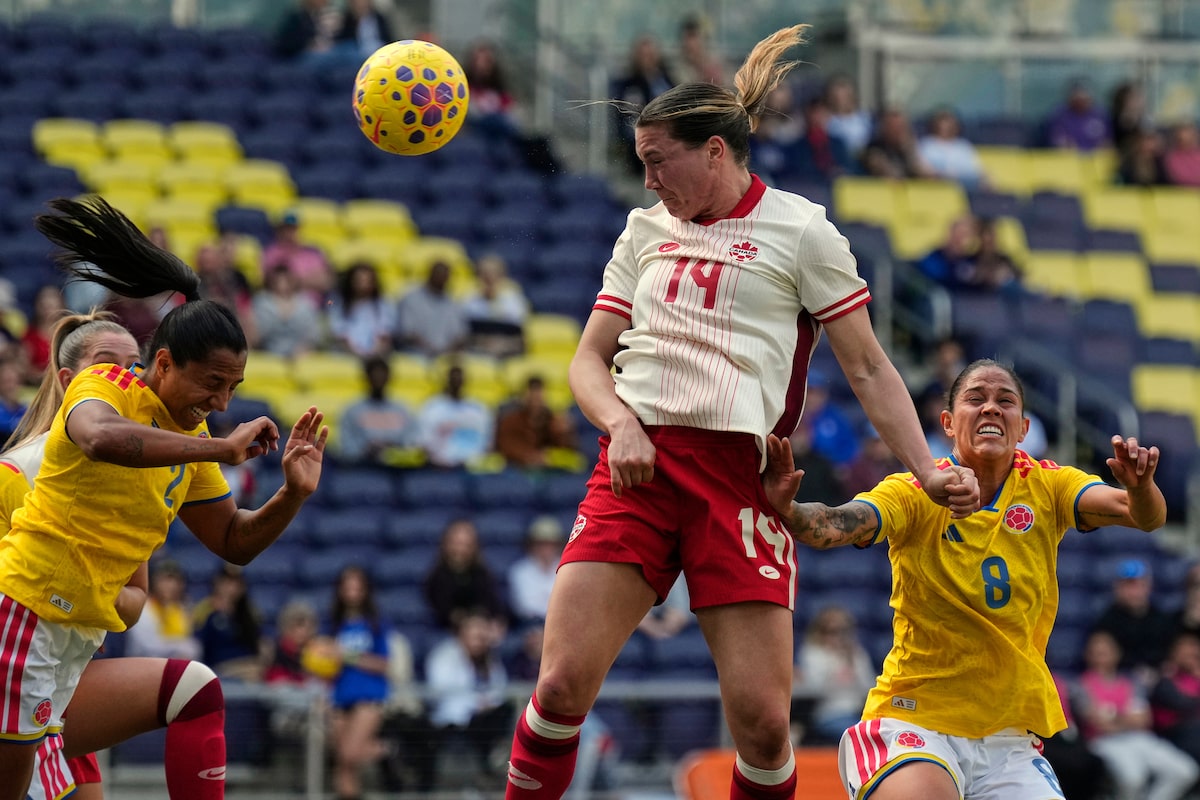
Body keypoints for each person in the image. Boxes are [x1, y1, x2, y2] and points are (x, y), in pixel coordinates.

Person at [502, 24, 979, 800]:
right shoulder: (643, 229)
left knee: (761, 726)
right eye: (642, 163)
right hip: (639, 467)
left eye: (659, 160)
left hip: (742, 483)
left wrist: (927, 468)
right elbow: (587, 360)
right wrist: (621, 424)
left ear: (715, 151)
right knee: (557, 690)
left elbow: (866, 364)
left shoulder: (802, 231)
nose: (648, 179)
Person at [0, 196, 328, 800]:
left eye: (234, 387)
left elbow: (234, 540)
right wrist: (220, 451)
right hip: (26, 614)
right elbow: (101, 438)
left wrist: (292, 495)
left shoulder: (192, 436)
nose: (222, 402)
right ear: (165, 363)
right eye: (212, 383)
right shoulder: (109, 386)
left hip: (74, 642)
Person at [760, 358, 1169, 799]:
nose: (991, 408)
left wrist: (1141, 486)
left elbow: (1144, 516)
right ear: (949, 424)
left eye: (1005, 401)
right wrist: (791, 511)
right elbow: (836, 524)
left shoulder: (1050, 486)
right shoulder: (915, 491)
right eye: (976, 399)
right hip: (915, 724)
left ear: (1023, 427)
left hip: (1009, 742)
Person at [0, 309, 232, 800]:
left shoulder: (132, 473)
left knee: (198, 688)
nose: (127, 377)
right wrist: (84, 592)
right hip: (27, 649)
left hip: (68, 657)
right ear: (71, 382)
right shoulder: (20, 470)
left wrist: (89, 594)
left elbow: (134, 600)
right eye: (109, 365)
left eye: (134, 365)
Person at [1075, 629, 1198, 800]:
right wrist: (1126, 717)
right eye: (1096, 653)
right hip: (1104, 742)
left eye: (1105, 652)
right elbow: (1098, 723)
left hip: (1140, 738)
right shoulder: (1081, 684)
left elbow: (1144, 720)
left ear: (1117, 653)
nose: (1101, 657)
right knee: (1133, 779)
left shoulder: (1130, 682)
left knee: (1185, 771)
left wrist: (1113, 716)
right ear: (1088, 655)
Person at [425, 607, 514, 787]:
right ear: (462, 633)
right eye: (473, 633)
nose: (478, 640)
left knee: (508, 709)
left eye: (482, 635)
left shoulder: (491, 660)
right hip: (452, 721)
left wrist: (488, 703)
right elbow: (443, 694)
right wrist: (476, 704)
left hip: (483, 719)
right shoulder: (444, 656)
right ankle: (492, 764)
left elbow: (499, 689)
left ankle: (497, 761)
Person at [326, 564, 393, 800]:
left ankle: (389, 751)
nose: (352, 593)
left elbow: (383, 663)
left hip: (368, 694)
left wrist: (346, 655)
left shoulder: (376, 625)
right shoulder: (334, 625)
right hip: (340, 694)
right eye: (348, 587)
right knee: (343, 765)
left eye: (357, 587)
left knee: (349, 754)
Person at [794, 605, 877, 745]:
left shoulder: (856, 653)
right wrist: (833, 661)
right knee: (858, 735)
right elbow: (813, 689)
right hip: (827, 714)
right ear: (820, 631)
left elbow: (869, 687)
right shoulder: (813, 653)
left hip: (858, 712)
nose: (838, 636)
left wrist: (852, 663)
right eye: (831, 631)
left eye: (843, 631)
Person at [1091, 558, 1177, 681]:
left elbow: (1169, 657)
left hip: (1157, 679)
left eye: (1138, 585)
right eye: (1128, 585)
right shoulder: (1106, 621)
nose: (1133, 591)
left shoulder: (1161, 619)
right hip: (1120, 680)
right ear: (1117, 588)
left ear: (1148, 587)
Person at [423, 517, 507, 631]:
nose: (460, 549)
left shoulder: (483, 576)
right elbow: (442, 611)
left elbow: (493, 608)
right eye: (456, 543)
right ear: (446, 544)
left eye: (466, 544)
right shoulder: (436, 578)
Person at [611, 34, 677, 174]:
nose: (648, 59)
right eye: (644, 55)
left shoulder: (667, 80)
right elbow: (627, 117)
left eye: (651, 54)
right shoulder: (630, 85)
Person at [336, 355, 420, 466]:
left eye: (382, 375)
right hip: (364, 468)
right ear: (366, 377)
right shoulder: (352, 410)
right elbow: (347, 447)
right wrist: (367, 449)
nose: (378, 379)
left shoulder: (402, 409)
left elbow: (412, 441)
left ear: (389, 378)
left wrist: (394, 447)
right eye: (374, 375)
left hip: (399, 468)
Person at [192, 562, 265, 682]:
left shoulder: (249, 612)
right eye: (226, 582)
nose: (231, 587)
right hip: (218, 667)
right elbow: (198, 644)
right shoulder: (205, 608)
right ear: (217, 583)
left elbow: (256, 641)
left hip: (248, 664)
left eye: (236, 583)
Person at [494, 375, 580, 471]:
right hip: (517, 468)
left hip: (548, 470)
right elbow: (507, 447)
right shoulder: (510, 420)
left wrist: (563, 433)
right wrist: (530, 456)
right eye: (532, 395)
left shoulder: (551, 420)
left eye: (538, 395)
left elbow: (567, 449)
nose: (535, 400)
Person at [416, 363, 493, 469]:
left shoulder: (478, 408)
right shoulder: (432, 407)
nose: (456, 381)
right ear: (446, 380)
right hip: (439, 466)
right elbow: (424, 441)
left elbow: (486, 441)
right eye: (453, 378)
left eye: (459, 378)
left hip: (473, 467)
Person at [126, 559, 203, 661]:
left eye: (175, 581)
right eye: (165, 580)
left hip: (174, 665)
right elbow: (149, 647)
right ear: (153, 581)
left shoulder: (180, 609)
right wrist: (183, 647)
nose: (171, 586)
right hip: (142, 663)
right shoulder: (144, 608)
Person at [395, 260, 469, 359]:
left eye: (445, 276)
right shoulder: (411, 299)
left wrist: (446, 351)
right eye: (439, 274)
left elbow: (460, 335)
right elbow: (407, 333)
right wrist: (430, 349)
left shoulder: (452, 303)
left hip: (446, 355)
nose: (442, 278)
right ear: (431, 275)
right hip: (416, 353)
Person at [251, 264, 326, 358]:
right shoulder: (261, 301)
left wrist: (304, 349)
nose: (282, 284)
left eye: (286, 280)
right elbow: (256, 334)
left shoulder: (306, 303)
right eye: (278, 280)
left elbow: (314, 334)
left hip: (301, 354)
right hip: (268, 354)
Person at [328, 260, 396, 359]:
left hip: (377, 354)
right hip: (345, 353)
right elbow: (339, 333)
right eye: (359, 280)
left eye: (367, 281)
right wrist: (355, 353)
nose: (363, 285)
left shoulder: (384, 304)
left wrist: (374, 352)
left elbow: (385, 334)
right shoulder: (337, 303)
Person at [507, 515, 566, 625]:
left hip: (561, 623)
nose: (546, 549)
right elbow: (524, 607)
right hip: (529, 625)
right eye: (542, 544)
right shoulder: (520, 571)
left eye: (551, 544)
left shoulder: (566, 569)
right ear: (533, 545)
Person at [917, 107, 986, 188]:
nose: (946, 127)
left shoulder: (963, 146)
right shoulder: (927, 145)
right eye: (942, 123)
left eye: (949, 123)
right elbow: (924, 169)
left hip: (967, 185)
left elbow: (978, 171)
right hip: (938, 185)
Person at [1046, 79, 1111, 151]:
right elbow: (1058, 140)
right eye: (1078, 98)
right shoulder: (1059, 116)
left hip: (1097, 158)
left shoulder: (1100, 115)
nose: (1081, 102)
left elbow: (1107, 141)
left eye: (1084, 98)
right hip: (1068, 158)